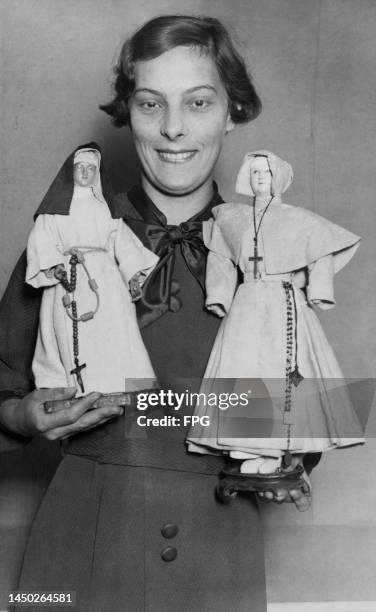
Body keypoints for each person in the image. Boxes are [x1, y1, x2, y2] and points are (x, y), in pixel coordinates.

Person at [0, 16, 320, 612]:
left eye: (198, 103)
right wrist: (22, 415)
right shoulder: (68, 237)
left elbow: (304, 406)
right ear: (129, 113)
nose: (174, 128)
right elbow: (5, 384)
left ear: (232, 111)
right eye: (151, 104)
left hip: (220, 551)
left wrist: (292, 455)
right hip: (75, 550)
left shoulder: (272, 251)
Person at [187, 150, 363, 494]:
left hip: (285, 304)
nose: (260, 177)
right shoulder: (231, 216)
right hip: (246, 304)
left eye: (266, 171)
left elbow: (321, 252)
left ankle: (276, 453)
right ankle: (247, 449)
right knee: (242, 372)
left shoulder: (300, 220)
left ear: (280, 176)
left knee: (284, 374)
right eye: (253, 172)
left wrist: (319, 290)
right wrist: (219, 295)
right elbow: (221, 258)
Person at [26, 143, 158, 395]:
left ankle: (117, 385)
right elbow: (42, 239)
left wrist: (131, 275)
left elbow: (122, 242)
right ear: (70, 171)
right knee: (66, 332)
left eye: (90, 168)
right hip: (68, 276)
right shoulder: (53, 211)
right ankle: (73, 389)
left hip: (105, 278)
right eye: (80, 168)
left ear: (97, 173)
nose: (85, 173)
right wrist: (54, 266)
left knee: (114, 329)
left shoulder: (106, 208)